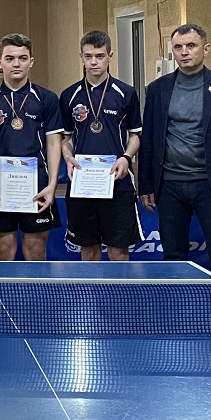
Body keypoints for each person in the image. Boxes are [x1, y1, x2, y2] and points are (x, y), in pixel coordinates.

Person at [139, 24, 211, 278]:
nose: (184, 52)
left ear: (206, 49)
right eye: (178, 47)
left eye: (191, 46)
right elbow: (149, 139)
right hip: (169, 186)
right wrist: (146, 184)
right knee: (173, 260)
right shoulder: (157, 89)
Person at [0, 34, 64, 261]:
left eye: (22, 58)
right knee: (2, 251)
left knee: (36, 251)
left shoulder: (47, 98)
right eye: (10, 58)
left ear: (31, 61)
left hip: (37, 186)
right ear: (0, 62)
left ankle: (36, 289)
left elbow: (54, 143)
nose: (16, 64)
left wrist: (52, 185)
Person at [60, 31, 143, 262]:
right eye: (88, 56)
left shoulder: (126, 93)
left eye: (99, 56)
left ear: (110, 56)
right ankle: (91, 288)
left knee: (119, 250)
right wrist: (68, 157)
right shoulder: (69, 95)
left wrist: (126, 158)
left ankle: (120, 288)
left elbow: (135, 135)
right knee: (88, 249)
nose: (94, 62)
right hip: (83, 182)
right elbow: (65, 139)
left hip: (118, 181)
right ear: (81, 57)